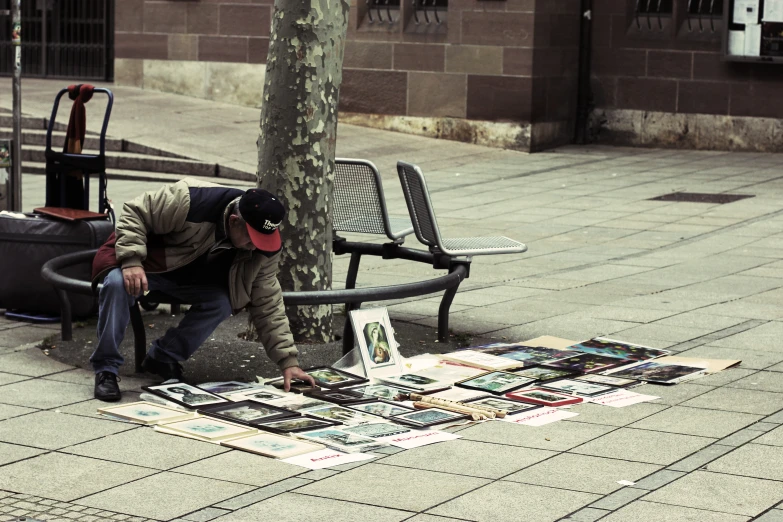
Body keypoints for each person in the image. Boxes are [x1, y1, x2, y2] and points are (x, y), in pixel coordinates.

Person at [90, 178, 316, 401]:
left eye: (263, 240)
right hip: (150, 265)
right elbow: (134, 212)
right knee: (117, 283)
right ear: (235, 220)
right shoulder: (190, 200)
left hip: (194, 280)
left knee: (221, 302)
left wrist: (288, 363)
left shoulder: (264, 247)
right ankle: (106, 369)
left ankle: (163, 357)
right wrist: (131, 260)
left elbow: (268, 301)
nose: (255, 246)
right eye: (251, 239)